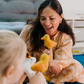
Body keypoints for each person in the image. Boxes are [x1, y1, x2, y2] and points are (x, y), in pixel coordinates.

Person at [20, 0, 84, 84]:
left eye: (51, 18)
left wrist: (51, 62)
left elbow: (56, 70)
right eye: (43, 18)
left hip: (53, 73)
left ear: (61, 18)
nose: (47, 23)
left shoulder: (65, 38)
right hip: (31, 68)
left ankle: (44, 80)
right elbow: (19, 52)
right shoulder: (29, 30)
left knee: (76, 67)